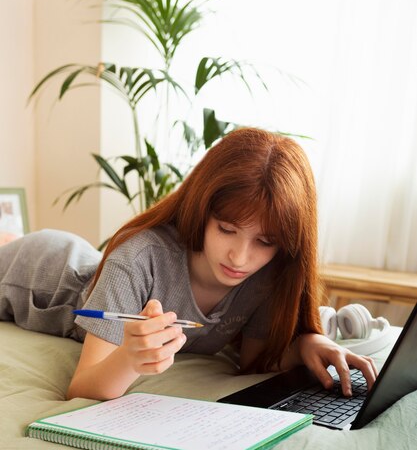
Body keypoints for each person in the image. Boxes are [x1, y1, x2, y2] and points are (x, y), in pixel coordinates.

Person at [0, 128, 377, 401]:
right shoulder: (139, 257)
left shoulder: (265, 277)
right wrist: (130, 360)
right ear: (201, 209)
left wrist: (310, 342)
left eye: (265, 241)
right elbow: (82, 388)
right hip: (42, 275)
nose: (240, 258)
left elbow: (255, 360)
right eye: (226, 229)